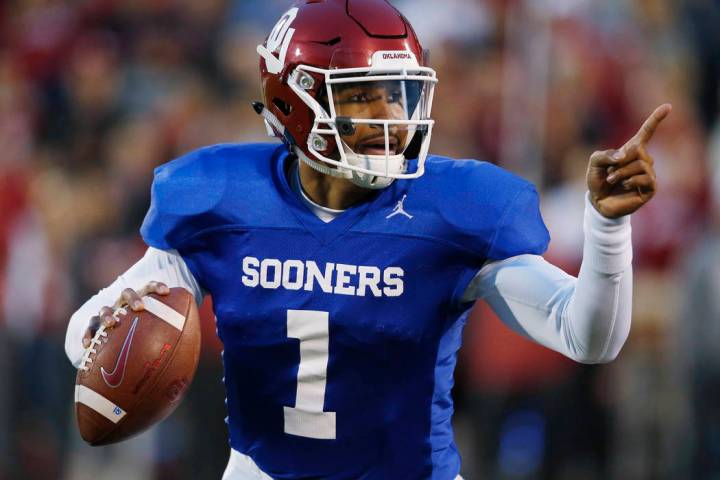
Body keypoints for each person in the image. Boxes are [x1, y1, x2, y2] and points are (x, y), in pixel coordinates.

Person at [64, 1, 671, 478]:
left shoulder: (454, 208)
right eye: (361, 95)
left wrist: (608, 227)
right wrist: (108, 328)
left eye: (400, 95)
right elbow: (89, 329)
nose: (391, 117)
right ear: (291, 100)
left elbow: (585, 337)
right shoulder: (219, 196)